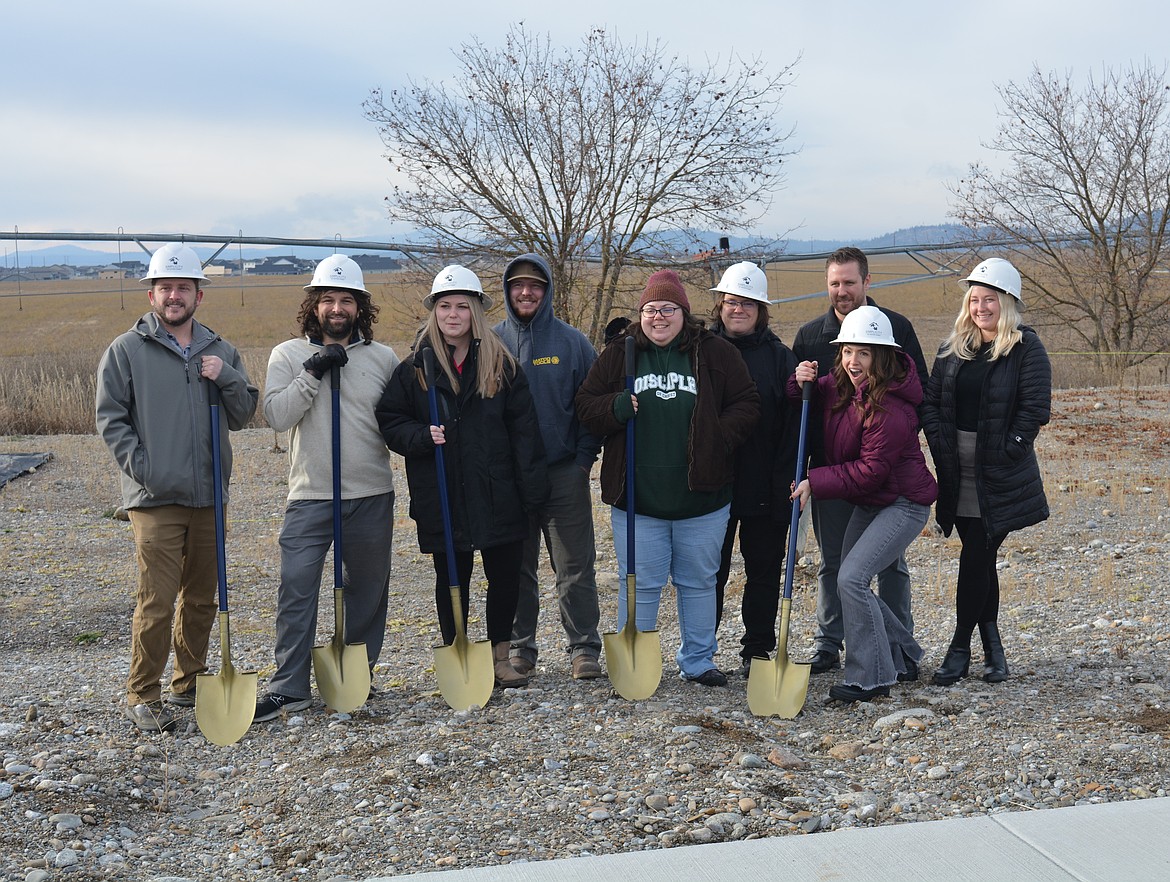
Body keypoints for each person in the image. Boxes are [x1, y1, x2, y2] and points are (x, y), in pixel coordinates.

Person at [96, 243, 259, 733]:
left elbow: (243, 414)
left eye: (182, 288)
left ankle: (188, 683)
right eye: (165, 288)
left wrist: (226, 376)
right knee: (157, 599)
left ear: (198, 296)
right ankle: (142, 693)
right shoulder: (127, 350)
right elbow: (111, 419)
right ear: (151, 295)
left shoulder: (220, 350)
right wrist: (146, 470)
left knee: (203, 597)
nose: (174, 296)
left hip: (209, 496)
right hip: (154, 499)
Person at [576, 269, 760, 687]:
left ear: (684, 312)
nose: (659, 318)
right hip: (638, 500)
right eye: (651, 310)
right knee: (640, 584)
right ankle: (636, 661)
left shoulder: (714, 352)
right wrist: (616, 407)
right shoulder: (621, 353)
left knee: (698, 583)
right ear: (641, 313)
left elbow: (747, 403)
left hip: (703, 498)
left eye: (668, 309)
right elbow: (586, 403)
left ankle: (697, 661)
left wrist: (717, 436)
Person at [376, 265, 548, 689]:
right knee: (451, 576)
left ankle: (500, 656)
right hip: (443, 493)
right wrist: (419, 435)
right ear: (434, 312)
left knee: (505, 576)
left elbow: (525, 434)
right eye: (444, 306)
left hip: (498, 492)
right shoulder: (416, 369)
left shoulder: (501, 365)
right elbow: (389, 418)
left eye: (461, 307)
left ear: (475, 312)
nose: (452, 315)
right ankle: (458, 650)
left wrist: (532, 495)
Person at [254, 255, 400, 722]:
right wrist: (313, 372)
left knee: (367, 590)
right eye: (329, 299)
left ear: (361, 307)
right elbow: (277, 416)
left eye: (347, 300)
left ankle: (356, 674)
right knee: (297, 586)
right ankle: (289, 686)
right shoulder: (287, 355)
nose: (337, 308)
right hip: (310, 494)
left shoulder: (382, 358)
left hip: (370, 491)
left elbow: (396, 422)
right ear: (314, 305)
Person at [792, 246, 928, 677]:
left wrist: (888, 445)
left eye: (849, 282)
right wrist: (798, 384)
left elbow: (915, 392)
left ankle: (896, 651)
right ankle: (829, 643)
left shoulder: (895, 328)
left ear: (867, 282)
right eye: (834, 283)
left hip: (877, 477)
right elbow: (813, 400)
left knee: (885, 565)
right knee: (837, 565)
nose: (841, 290)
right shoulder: (811, 335)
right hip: (833, 471)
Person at [921, 257, 1051, 686]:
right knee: (982, 554)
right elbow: (931, 401)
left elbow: (1035, 408)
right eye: (974, 300)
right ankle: (993, 647)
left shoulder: (1025, 347)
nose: (981, 307)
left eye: (989, 299)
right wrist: (940, 442)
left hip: (998, 470)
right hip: (957, 467)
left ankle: (960, 646)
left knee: (977, 552)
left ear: (1008, 303)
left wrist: (1009, 448)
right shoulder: (952, 346)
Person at [492, 255, 604, 680]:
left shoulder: (573, 344)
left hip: (563, 474)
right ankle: (521, 649)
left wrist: (581, 461)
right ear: (507, 290)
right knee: (517, 568)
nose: (526, 292)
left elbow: (592, 407)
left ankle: (584, 649)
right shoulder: (492, 342)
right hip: (512, 478)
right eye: (518, 285)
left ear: (548, 290)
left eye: (535, 285)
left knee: (574, 567)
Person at [706, 262, 798, 677]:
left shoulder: (781, 359)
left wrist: (787, 483)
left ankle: (756, 650)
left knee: (762, 572)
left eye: (747, 303)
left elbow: (794, 427)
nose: (737, 309)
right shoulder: (700, 350)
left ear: (762, 309)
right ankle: (700, 649)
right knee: (709, 573)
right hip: (710, 487)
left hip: (765, 484)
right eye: (730, 302)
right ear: (720, 305)